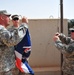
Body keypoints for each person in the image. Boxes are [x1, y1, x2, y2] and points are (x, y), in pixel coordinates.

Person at [0, 10, 27, 75]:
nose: (9, 19)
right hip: (4, 68)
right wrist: (24, 25)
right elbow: (12, 40)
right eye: (8, 16)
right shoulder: (1, 29)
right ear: (2, 17)